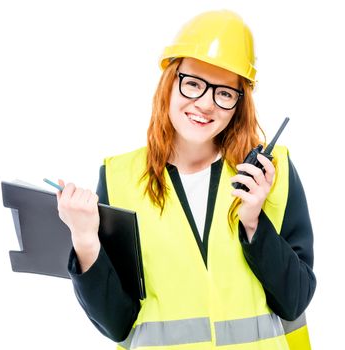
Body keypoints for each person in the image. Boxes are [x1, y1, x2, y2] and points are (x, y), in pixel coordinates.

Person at [56, 10, 316, 350]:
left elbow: (294, 301)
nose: (206, 104)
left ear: (240, 102)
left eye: (224, 93)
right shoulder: (120, 178)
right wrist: (85, 240)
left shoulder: (271, 172)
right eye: (192, 83)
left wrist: (254, 223)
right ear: (170, 83)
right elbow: (118, 324)